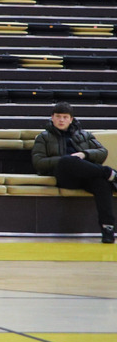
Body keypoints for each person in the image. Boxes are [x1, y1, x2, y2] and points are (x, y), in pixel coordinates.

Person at [31, 102, 115, 244]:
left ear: (71, 119)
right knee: (67, 160)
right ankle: (110, 173)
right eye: (58, 116)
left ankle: (108, 229)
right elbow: (38, 162)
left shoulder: (84, 135)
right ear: (52, 117)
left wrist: (84, 154)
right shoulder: (43, 137)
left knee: (102, 183)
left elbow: (102, 152)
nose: (61, 120)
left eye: (65, 117)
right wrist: (66, 160)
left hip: (86, 174)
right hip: (64, 176)